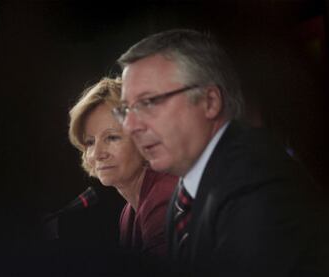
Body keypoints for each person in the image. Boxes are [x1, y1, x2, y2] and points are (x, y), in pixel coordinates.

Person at [113, 29, 327, 276]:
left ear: (210, 102)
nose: (130, 126)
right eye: (126, 110)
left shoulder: (257, 183)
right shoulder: (183, 197)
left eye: (148, 102)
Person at [68, 77, 178, 261]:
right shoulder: (128, 214)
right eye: (89, 142)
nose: (97, 154)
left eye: (111, 138)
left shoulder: (164, 197)